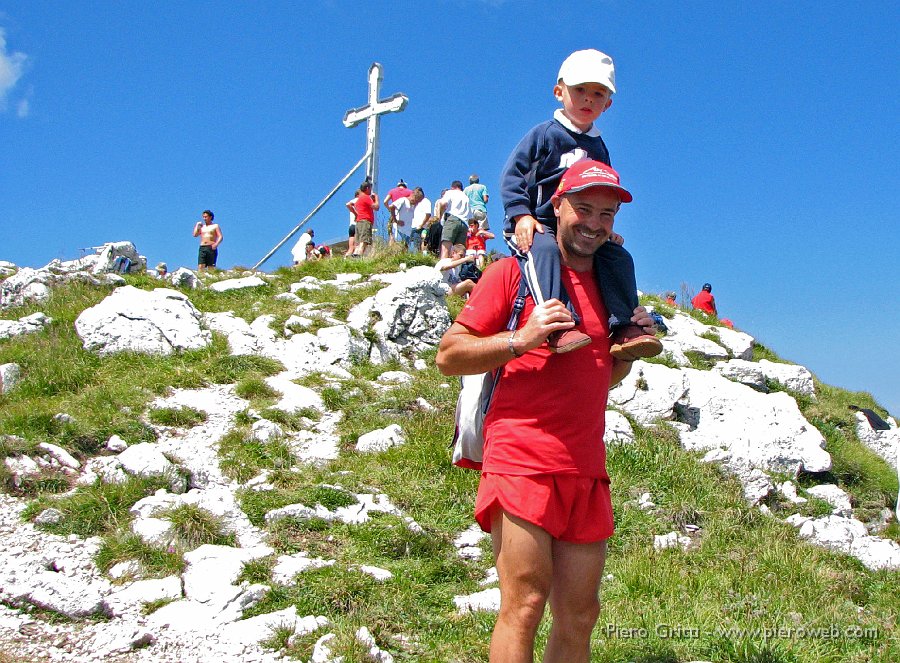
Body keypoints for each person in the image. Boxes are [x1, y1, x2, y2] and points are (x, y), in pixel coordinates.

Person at [437, 161, 653, 662]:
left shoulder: (611, 286)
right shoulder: (514, 272)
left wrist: (624, 355)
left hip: (585, 466)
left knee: (581, 614)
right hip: (521, 458)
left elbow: (598, 376)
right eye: (583, 208)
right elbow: (449, 355)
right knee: (526, 603)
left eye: (606, 213)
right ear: (556, 207)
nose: (595, 223)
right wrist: (522, 338)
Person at [500, 49, 661, 362]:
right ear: (559, 92)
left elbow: (605, 193)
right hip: (538, 224)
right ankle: (558, 325)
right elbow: (512, 174)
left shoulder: (599, 147)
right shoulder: (544, 135)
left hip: (580, 230)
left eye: (598, 94)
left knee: (618, 257)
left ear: (608, 104)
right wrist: (521, 215)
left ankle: (624, 327)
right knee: (544, 250)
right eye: (580, 91)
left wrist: (604, 229)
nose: (588, 99)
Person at [434, 180, 471, 259]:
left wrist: (439, 217)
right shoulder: (466, 197)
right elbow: (470, 217)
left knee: (446, 248)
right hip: (464, 224)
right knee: (459, 252)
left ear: (452, 187)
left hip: (452, 219)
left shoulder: (450, 192)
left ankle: (443, 269)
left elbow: (442, 204)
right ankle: (456, 270)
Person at [351, 181, 379, 257]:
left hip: (359, 221)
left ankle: (355, 255)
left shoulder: (359, 199)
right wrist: (376, 198)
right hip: (365, 221)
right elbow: (376, 207)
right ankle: (359, 256)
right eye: (370, 188)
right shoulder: (366, 197)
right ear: (367, 188)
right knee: (364, 241)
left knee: (359, 241)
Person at [383, 179, 413, 245]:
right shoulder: (410, 192)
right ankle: (403, 251)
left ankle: (391, 249)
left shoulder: (392, 191)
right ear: (405, 186)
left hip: (394, 214)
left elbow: (385, 201)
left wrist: (389, 209)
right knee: (405, 233)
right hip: (405, 215)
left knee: (391, 233)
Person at [409, 187, 432, 254]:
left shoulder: (426, 201)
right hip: (412, 226)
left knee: (419, 244)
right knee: (410, 244)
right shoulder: (414, 201)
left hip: (420, 227)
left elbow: (428, 214)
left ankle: (420, 257)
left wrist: (422, 224)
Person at [344, 190, 359, 256]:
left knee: (351, 247)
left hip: (351, 225)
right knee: (356, 245)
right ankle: (355, 258)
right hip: (357, 224)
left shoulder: (352, 201)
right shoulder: (358, 200)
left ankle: (347, 256)